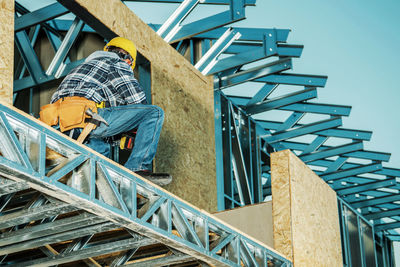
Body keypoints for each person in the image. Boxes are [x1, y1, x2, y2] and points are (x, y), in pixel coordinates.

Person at [49, 37, 171, 186]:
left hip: (60, 123)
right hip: (85, 117)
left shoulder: (83, 67)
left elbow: (109, 112)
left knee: (101, 152)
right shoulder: (116, 63)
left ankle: (83, 184)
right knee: (153, 114)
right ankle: (137, 168)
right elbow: (136, 101)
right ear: (128, 60)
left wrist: (121, 137)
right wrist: (136, 129)